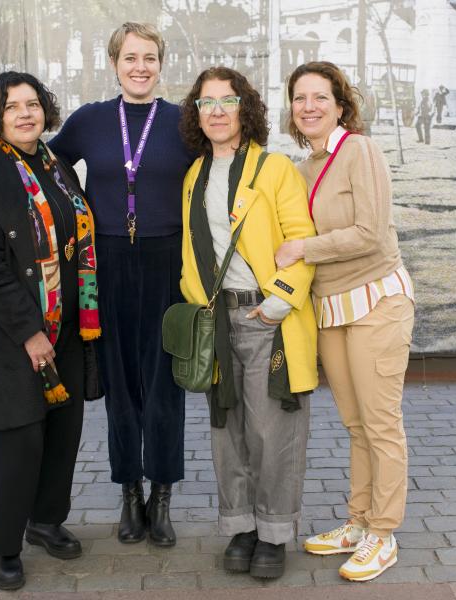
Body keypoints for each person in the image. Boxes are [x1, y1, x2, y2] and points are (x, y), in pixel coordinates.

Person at [0, 71, 101, 591]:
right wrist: (29, 331)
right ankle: (5, 546)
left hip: (68, 330)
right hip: (12, 334)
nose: (25, 114)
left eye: (32, 104)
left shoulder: (59, 167)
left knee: (63, 434)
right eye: (12, 106)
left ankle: (46, 521)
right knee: (19, 440)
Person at [49, 22, 195, 547]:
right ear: (114, 63)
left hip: (167, 263)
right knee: (120, 385)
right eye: (130, 57)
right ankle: (129, 492)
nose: (140, 67)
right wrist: (78, 214)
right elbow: (51, 164)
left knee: (164, 386)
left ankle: (162, 495)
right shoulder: (90, 120)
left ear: (161, 64)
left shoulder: (183, 122)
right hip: (106, 263)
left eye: (149, 58)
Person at [277, 61, 415, 582]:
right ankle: (358, 522)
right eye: (299, 98)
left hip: (377, 299)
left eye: (320, 97)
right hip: (330, 307)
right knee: (356, 425)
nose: (308, 106)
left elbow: (371, 233)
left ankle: (384, 532)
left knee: (381, 424)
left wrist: (303, 248)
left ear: (340, 105)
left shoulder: (360, 150)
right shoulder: (302, 168)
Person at [178, 66, 318, 579]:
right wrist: (199, 304)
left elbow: (301, 239)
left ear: (246, 109)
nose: (217, 111)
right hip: (218, 321)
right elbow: (192, 253)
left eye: (227, 101)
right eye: (206, 102)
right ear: (196, 114)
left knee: (272, 431)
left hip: (267, 319)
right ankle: (241, 527)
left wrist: (280, 300)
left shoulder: (274, 169)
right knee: (228, 430)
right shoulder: (194, 176)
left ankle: (274, 533)